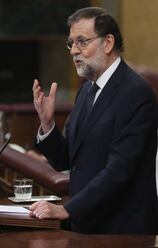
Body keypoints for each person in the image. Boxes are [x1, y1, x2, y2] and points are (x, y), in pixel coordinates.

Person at [30, 7, 158, 234]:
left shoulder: (136, 93)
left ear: (107, 43)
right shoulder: (87, 90)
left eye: (82, 42)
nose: (73, 51)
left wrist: (68, 209)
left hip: (121, 231)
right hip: (87, 225)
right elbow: (66, 160)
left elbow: (120, 171)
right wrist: (48, 124)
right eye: (71, 43)